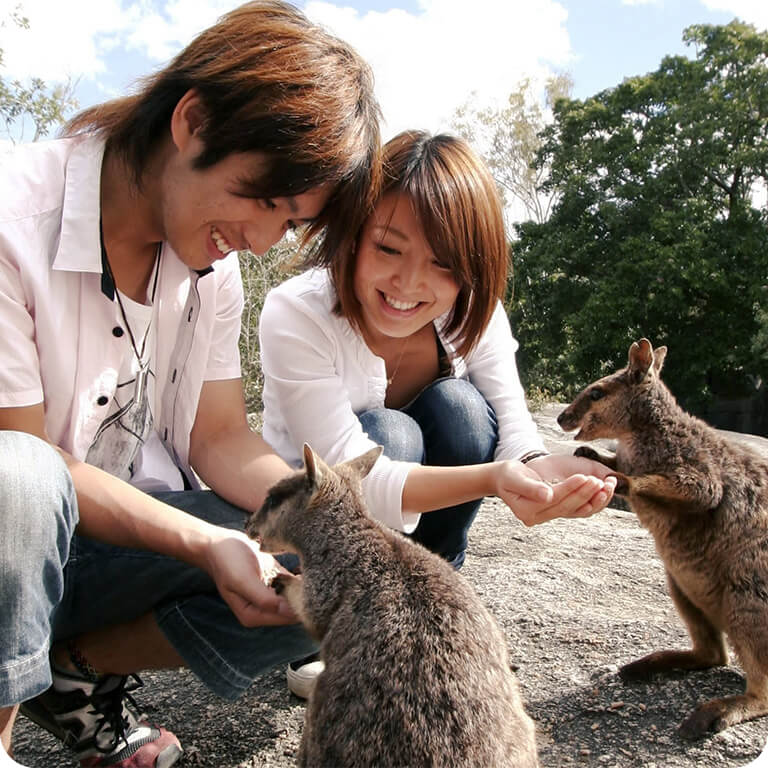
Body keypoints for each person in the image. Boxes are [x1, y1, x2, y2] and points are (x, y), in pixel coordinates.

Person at [0, 2, 381, 767]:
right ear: (192, 121)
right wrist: (205, 543)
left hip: (95, 552)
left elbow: (218, 437)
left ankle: (71, 676)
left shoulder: (213, 265)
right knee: (21, 480)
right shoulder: (15, 217)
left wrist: (339, 521)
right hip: (13, 540)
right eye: (265, 201)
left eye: (291, 222)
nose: (264, 239)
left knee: (321, 562)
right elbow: (22, 456)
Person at [258, 130, 618, 697]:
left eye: (442, 263)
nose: (408, 284)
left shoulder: (473, 312)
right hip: (315, 526)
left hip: (405, 521)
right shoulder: (297, 313)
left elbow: (510, 419)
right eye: (388, 248)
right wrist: (497, 481)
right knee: (387, 433)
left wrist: (532, 466)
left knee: (463, 410)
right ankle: (333, 628)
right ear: (352, 235)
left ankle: (428, 601)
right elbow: (351, 483)